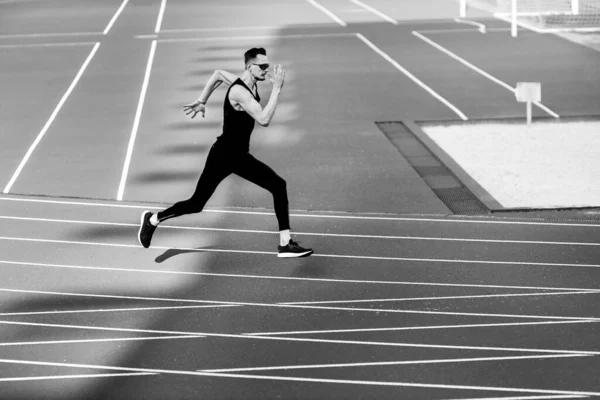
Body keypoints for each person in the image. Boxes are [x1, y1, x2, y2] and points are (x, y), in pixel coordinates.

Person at [138, 47, 313, 258]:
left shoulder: (246, 82)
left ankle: (285, 243)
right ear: (250, 66)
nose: (267, 70)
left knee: (278, 185)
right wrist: (276, 90)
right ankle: (152, 220)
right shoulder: (240, 91)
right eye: (263, 66)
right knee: (196, 204)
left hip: (238, 156)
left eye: (268, 65)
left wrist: (202, 100)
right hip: (223, 156)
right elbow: (264, 119)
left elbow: (218, 74)